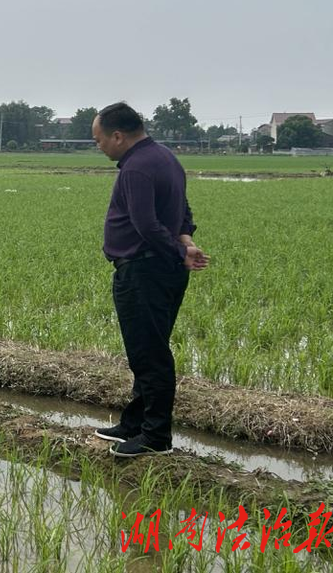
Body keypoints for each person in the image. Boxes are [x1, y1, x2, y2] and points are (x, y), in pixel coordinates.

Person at [91, 102, 209, 457]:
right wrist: (185, 241)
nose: (99, 147)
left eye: (99, 140)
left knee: (149, 355)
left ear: (118, 135)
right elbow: (182, 209)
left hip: (144, 272)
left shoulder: (137, 169)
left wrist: (177, 250)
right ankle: (134, 422)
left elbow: (146, 225)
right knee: (147, 349)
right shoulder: (164, 158)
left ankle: (156, 437)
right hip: (161, 270)